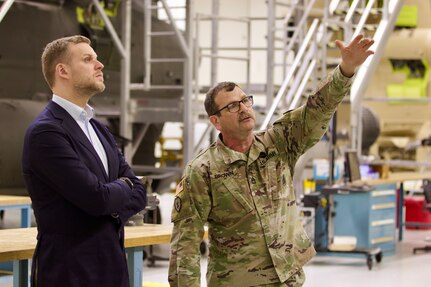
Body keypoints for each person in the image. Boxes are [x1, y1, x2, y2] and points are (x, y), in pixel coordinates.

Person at [168, 34, 375, 287]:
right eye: (232, 106)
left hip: (288, 279)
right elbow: (185, 242)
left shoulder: (279, 142)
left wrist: (345, 70)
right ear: (216, 121)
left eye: (245, 101)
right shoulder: (202, 170)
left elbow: (316, 109)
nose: (244, 109)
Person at [22, 35, 147, 287]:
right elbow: (96, 198)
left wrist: (116, 192)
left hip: (112, 269)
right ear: (63, 70)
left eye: (97, 59)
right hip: (70, 274)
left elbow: (140, 191)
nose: (99, 65)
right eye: (88, 59)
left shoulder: (97, 128)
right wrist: (122, 189)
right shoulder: (46, 132)